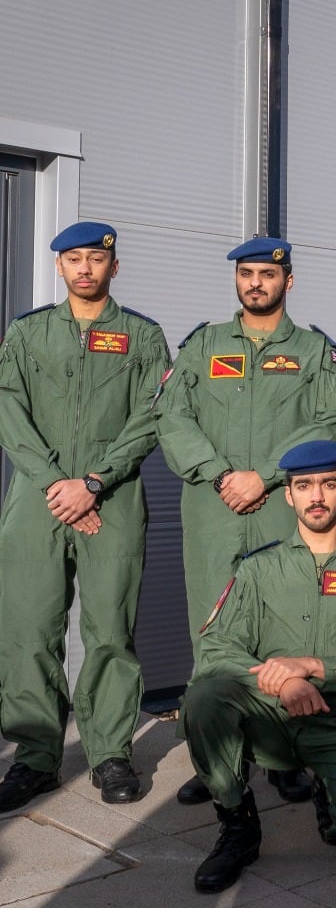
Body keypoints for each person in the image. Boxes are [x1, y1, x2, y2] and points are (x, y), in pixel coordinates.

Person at [156, 236, 336, 806]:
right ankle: (213, 754)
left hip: (278, 508)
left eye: (267, 273)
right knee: (212, 629)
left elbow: (331, 416)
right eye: (246, 274)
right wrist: (221, 476)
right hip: (214, 509)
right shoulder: (203, 345)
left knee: (285, 626)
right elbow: (172, 416)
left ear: (289, 281)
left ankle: (283, 754)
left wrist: (262, 475)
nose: (255, 283)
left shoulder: (314, 351)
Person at [184, 440, 336, 893]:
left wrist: (312, 667)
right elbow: (217, 646)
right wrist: (285, 679)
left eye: (329, 484)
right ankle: (237, 823)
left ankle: (330, 785)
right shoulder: (258, 569)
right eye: (304, 486)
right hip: (269, 713)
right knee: (205, 697)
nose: (316, 497)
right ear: (288, 495)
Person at [0, 222, 169, 811]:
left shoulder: (143, 337)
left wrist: (94, 483)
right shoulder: (27, 334)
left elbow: (152, 416)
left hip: (113, 497)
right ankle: (35, 757)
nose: (85, 269)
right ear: (59, 268)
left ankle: (110, 752)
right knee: (28, 630)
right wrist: (59, 486)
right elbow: (8, 411)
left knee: (110, 631)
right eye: (74, 259)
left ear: (114, 267)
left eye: (96, 259)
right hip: (37, 502)